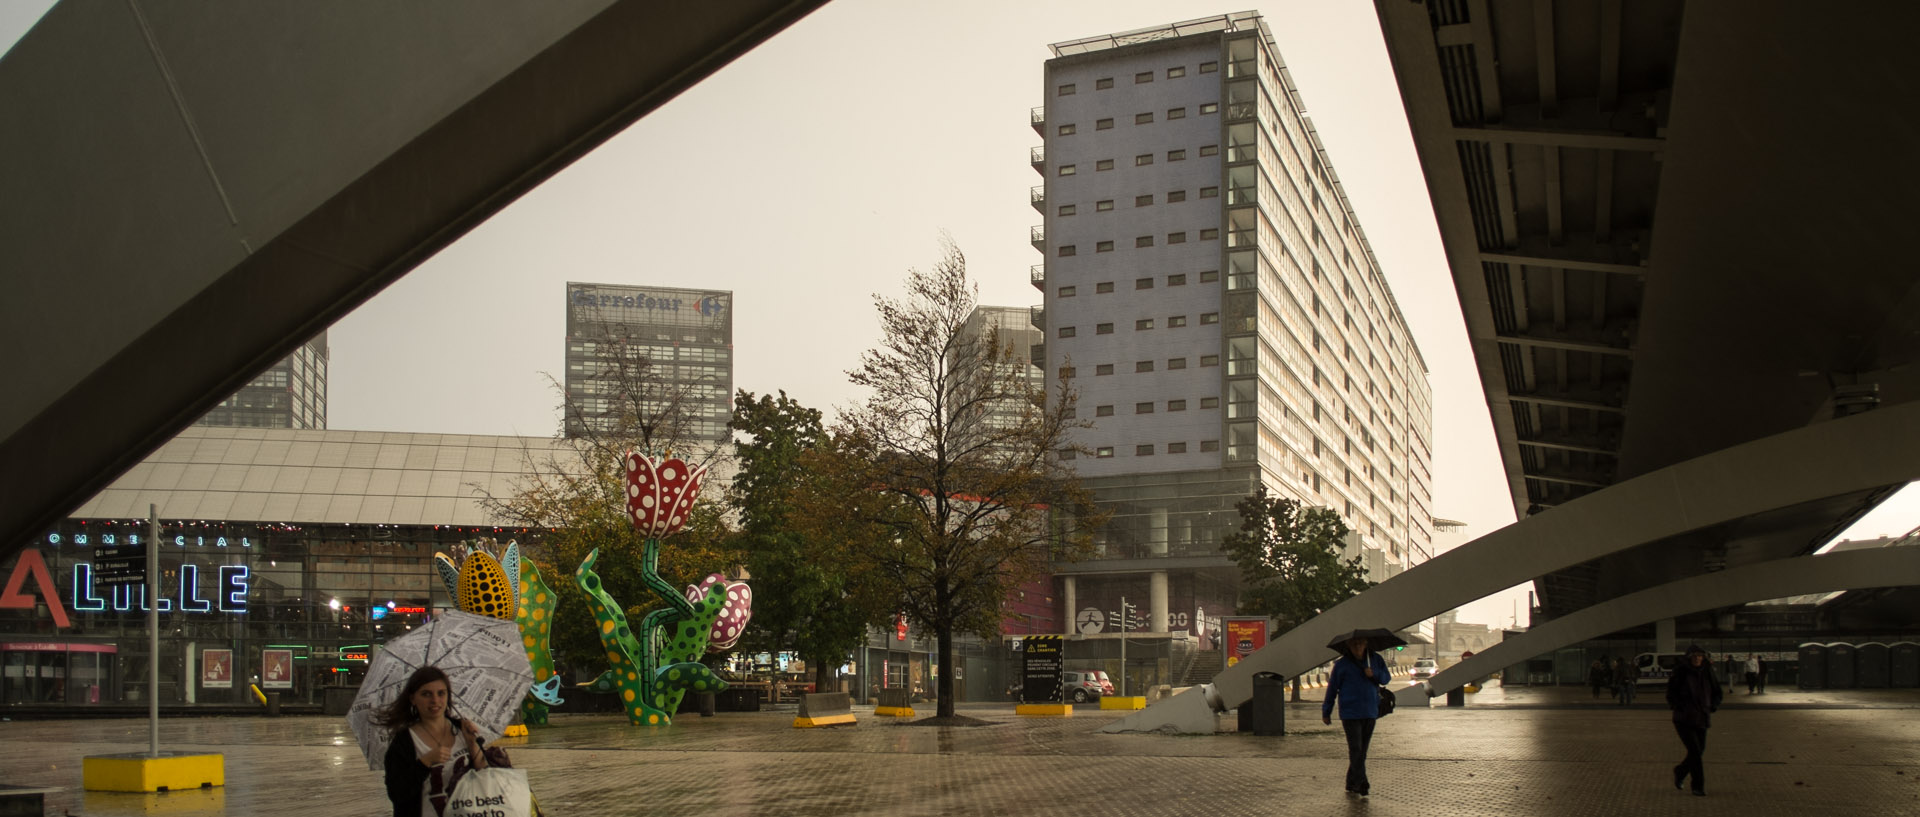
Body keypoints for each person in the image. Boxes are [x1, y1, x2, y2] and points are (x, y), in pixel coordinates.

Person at [378, 666, 496, 817]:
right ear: (413, 699)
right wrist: (425, 761)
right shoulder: (404, 742)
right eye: (426, 694)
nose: (435, 700)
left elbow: (487, 777)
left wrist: (472, 743)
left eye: (441, 693)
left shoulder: (462, 730)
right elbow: (397, 794)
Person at [1323, 636, 1392, 798]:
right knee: (1356, 749)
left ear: (1366, 643)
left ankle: (1351, 782)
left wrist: (1373, 674)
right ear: (1348, 646)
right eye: (1354, 644)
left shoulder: (1375, 660)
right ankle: (1362, 782)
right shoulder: (1341, 665)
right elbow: (1332, 689)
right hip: (1350, 713)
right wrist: (1326, 711)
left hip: (1370, 711)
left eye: (1360, 643)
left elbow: (1386, 678)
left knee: (1362, 751)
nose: (1357, 646)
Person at [1667, 645, 1724, 796]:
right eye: (1694, 656)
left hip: (1702, 716)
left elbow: (1717, 691)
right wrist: (1679, 706)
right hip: (1684, 718)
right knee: (1695, 752)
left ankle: (1680, 771)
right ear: (1688, 657)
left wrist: (1713, 705)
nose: (1697, 658)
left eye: (1700, 656)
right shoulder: (1681, 672)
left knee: (1699, 750)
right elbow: (1671, 693)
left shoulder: (1707, 671)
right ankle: (1698, 786)